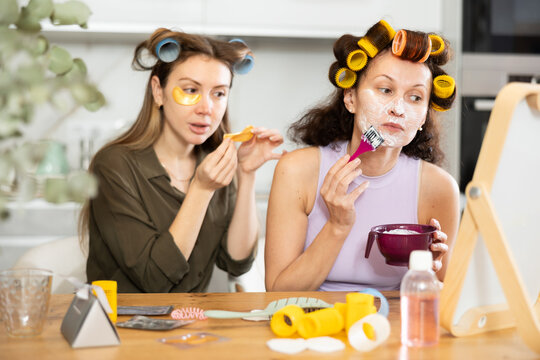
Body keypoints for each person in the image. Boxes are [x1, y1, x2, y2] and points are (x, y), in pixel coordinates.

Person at [79, 29, 283, 293]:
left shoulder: (214, 164)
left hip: (190, 326)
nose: (206, 108)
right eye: (190, 90)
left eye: (219, 93)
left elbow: (237, 262)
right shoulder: (113, 166)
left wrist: (246, 174)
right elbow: (154, 281)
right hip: (122, 326)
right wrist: (201, 190)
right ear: (158, 91)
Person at [265, 20, 460, 292]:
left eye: (415, 97)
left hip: (392, 327)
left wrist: (432, 276)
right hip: (314, 323)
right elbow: (278, 292)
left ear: (424, 116)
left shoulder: (439, 188)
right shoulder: (297, 171)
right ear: (351, 98)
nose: (398, 109)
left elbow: (448, 300)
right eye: (385, 90)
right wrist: (337, 225)